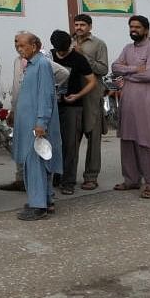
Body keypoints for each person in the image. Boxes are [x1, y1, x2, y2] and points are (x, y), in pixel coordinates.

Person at [110, 15, 150, 199]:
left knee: (149, 142)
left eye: (137, 27)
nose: (133, 30)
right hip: (128, 103)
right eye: (131, 26)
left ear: (146, 30)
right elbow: (115, 67)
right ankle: (132, 180)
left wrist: (126, 73)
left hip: (149, 103)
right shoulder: (127, 48)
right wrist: (135, 69)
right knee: (128, 141)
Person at [14, 32, 62, 221]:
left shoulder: (42, 64)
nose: (19, 49)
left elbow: (46, 95)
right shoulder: (31, 65)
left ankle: (38, 205)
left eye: (22, 45)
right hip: (29, 124)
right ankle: (46, 200)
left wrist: (41, 122)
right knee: (39, 163)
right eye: (17, 45)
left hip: (37, 125)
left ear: (34, 46)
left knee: (35, 164)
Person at [49, 30, 96, 196]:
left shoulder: (78, 58)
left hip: (73, 107)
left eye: (64, 49)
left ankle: (68, 181)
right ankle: (57, 174)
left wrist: (78, 95)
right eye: (58, 50)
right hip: (53, 106)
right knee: (54, 143)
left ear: (70, 44)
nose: (61, 53)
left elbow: (92, 81)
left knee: (70, 146)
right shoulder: (49, 56)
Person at [70, 14, 108, 190]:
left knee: (93, 136)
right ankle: (67, 176)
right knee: (71, 137)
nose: (79, 27)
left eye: (82, 25)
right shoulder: (68, 41)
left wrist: (82, 55)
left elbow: (102, 69)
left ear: (90, 27)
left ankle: (91, 176)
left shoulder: (99, 44)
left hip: (92, 96)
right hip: (72, 95)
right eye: (76, 24)